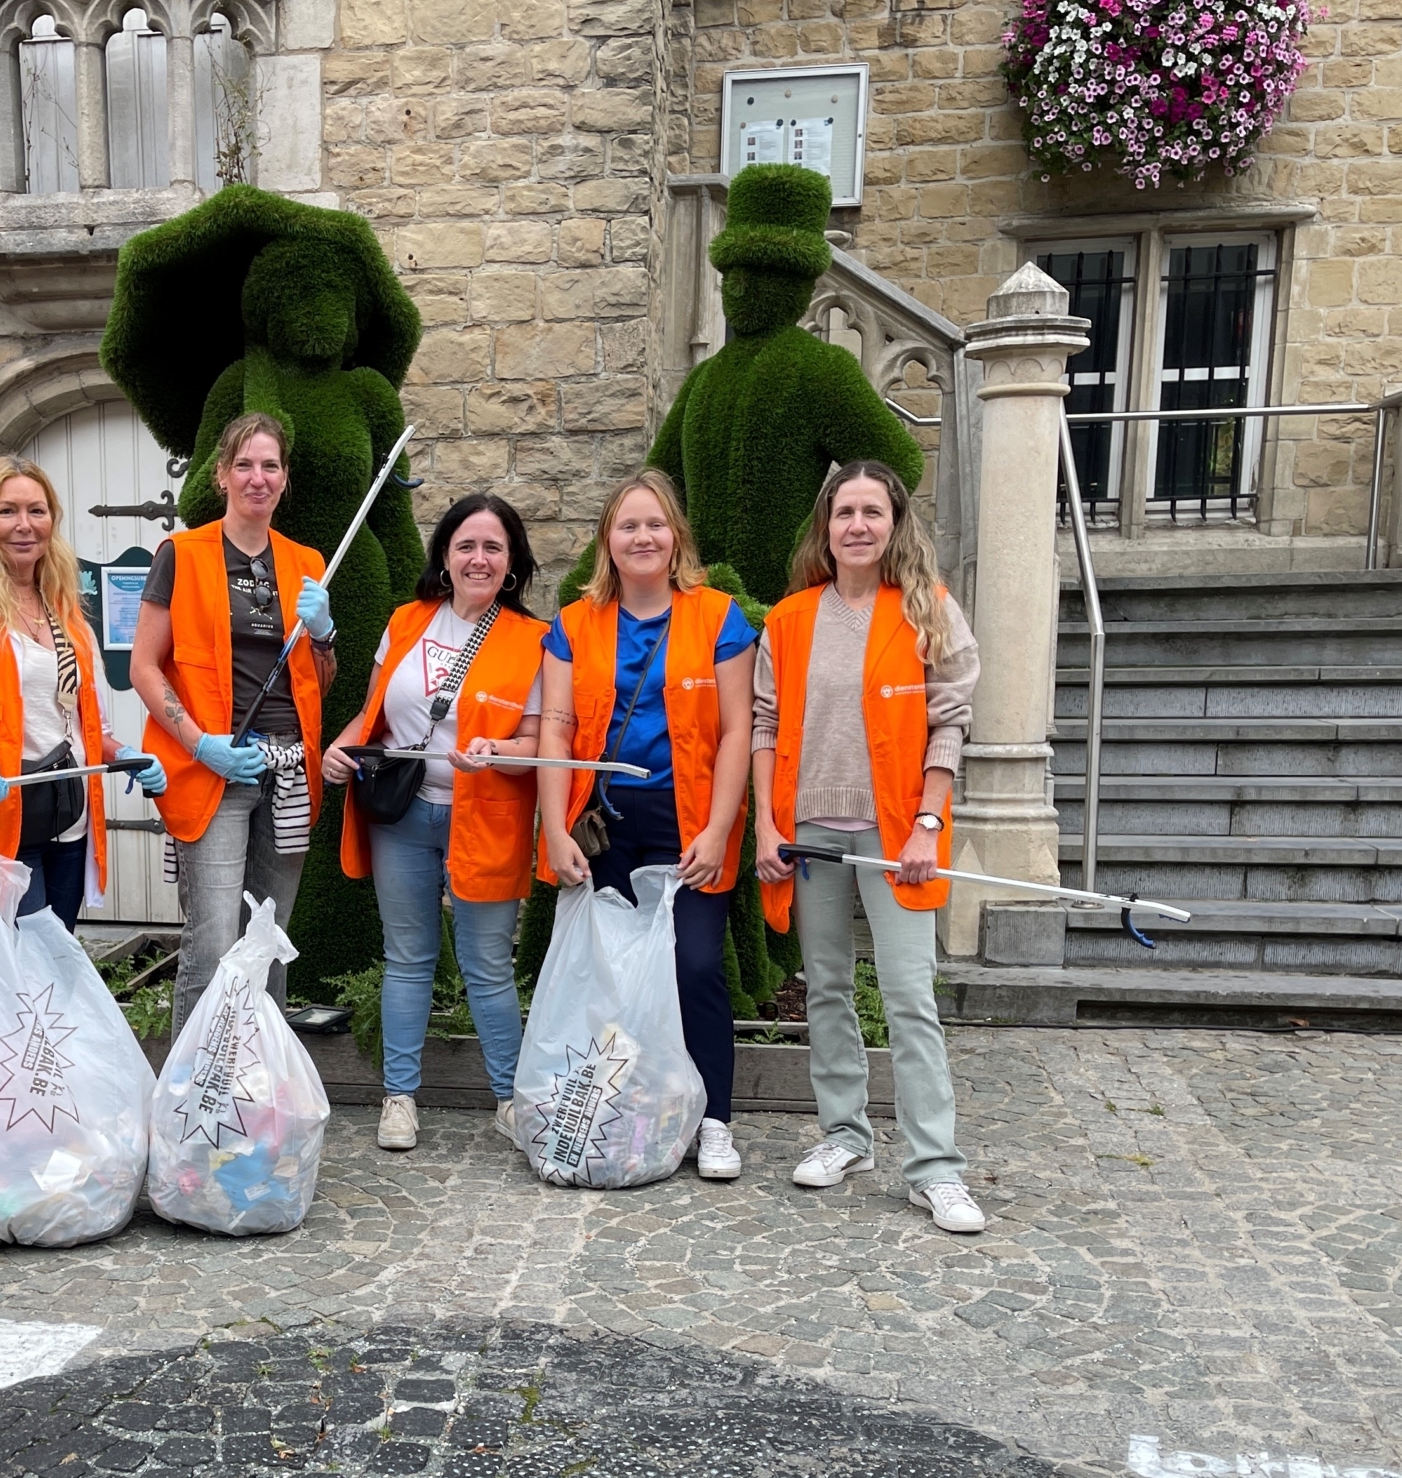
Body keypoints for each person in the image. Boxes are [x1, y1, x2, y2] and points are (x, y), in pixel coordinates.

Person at [752, 461, 985, 1234]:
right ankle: (845, 1134)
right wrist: (765, 825)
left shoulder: (928, 610)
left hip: (896, 830)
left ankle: (935, 1166)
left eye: (871, 511)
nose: (857, 524)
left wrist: (928, 819)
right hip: (808, 827)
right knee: (824, 986)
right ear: (826, 525)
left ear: (893, 523)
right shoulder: (788, 619)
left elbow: (951, 719)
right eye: (843, 511)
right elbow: (763, 725)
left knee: (910, 996)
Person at [538, 469, 757, 1180]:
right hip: (602, 822)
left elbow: (735, 731)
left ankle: (715, 1118)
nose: (642, 536)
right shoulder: (573, 624)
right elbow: (557, 730)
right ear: (608, 539)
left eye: (655, 524)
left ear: (676, 538)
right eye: (628, 525)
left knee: (694, 965)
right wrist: (553, 826)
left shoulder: (719, 618)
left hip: (689, 819)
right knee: (603, 974)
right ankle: (626, 1108)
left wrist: (721, 828)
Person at [326, 494, 547, 1151]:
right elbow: (374, 715)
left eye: (493, 547)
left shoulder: (534, 640)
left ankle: (508, 1098)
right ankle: (399, 1098)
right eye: (466, 545)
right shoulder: (406, 621)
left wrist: (497, 752)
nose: (478, 558)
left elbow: (535, 741)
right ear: (445, 557)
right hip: (403, 815)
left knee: (485, 963)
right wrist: (341, 747)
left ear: (511, 564)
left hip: (487, 813)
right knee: (408, 958)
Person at [0, 456, 167, 937]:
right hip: (1, 822)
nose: (24, 526)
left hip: (69, 820)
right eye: (6, 511)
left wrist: (123, 753)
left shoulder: (65, 612)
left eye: (37, 511)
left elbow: (85, 723)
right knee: (24, 976)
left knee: (56, 971)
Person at [130, 412, 338, 1037]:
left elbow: (317, 683)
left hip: (288, 771)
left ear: (284, 478)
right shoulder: (182, 554)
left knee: (267, 935)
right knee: (215, 937)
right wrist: (201, 744)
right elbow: (143, 668)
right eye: (244, 464)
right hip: (213, 767)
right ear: (221, 475)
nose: (257, 477)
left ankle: (259, 1086)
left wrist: (324, 633)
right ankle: (193, 1096)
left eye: (269, 465)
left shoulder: (306, 562)